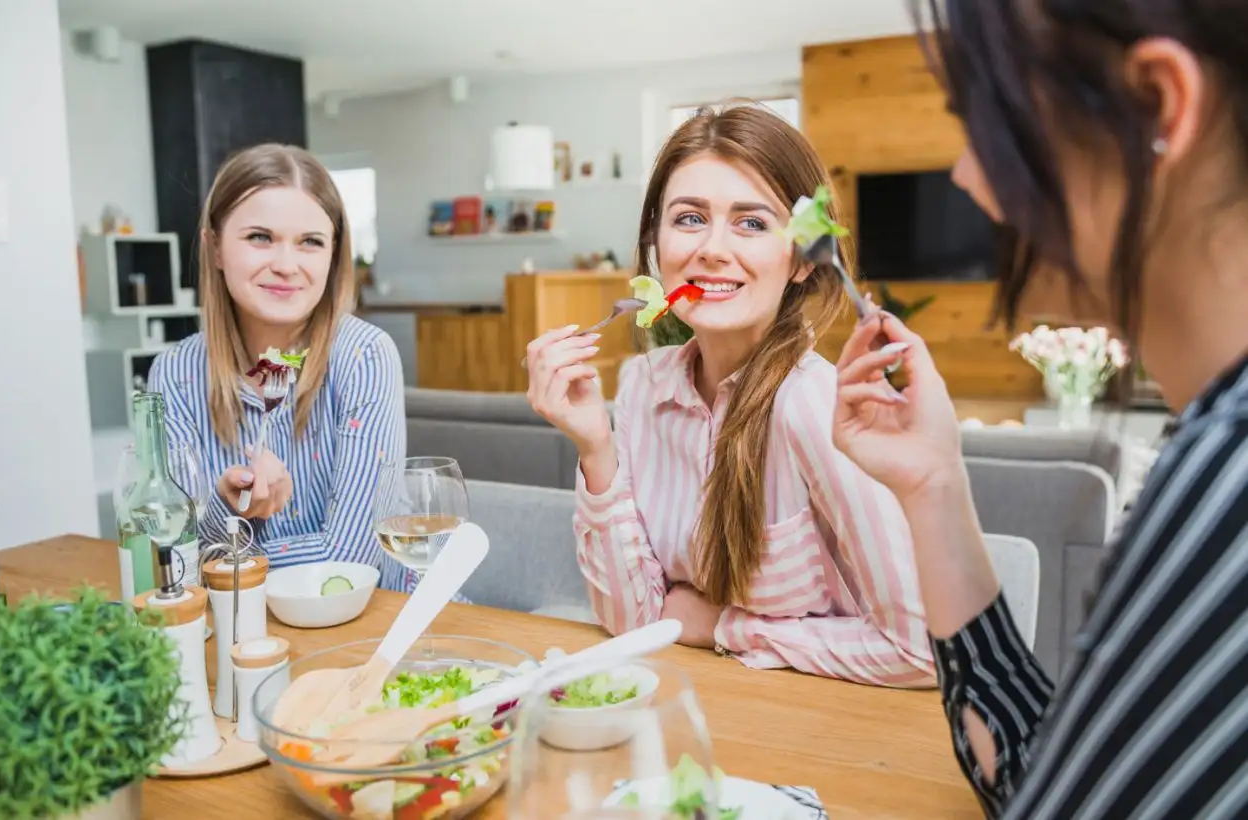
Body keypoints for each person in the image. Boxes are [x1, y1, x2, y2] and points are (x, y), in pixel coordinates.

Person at [833, 1, 1248, 816]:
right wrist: (934, 487)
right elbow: (1040, 774)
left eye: (991, 124)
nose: (966, 175)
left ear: (1155, 107)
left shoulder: (1228, 473)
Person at [525, 106, 935, 688]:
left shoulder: (817, 406)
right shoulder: (642, 387)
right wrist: (595, 446)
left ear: (799, 260)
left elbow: (923, 648)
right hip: (702, 706)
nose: (713, 249)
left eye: (751, 223)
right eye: (689, 218)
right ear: (656, 246)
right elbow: (633, 619)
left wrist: (726, 625)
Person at [148, 143, 414, 591]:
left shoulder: (364, 356)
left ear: (332, 257)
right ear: (215, 248)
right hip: (235, 633)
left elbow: (352, 559)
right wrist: (226, 509)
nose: (286, 265)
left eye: (310, 242)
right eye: (259, 237)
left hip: (376, 626)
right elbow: (173, 563)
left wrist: (224, 556)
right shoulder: (175, 373)